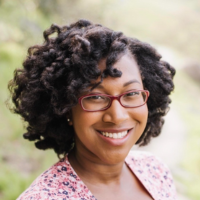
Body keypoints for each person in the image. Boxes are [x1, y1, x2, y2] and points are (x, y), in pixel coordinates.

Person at [9, 19, 176, 200]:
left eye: (131, 94)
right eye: (96, 97)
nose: (117, 116)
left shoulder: (154, 170)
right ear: (65, 108)